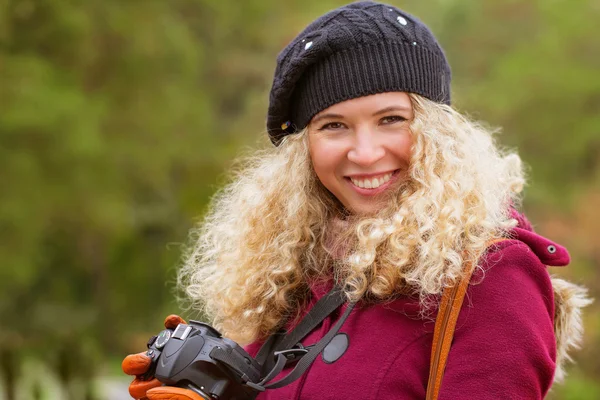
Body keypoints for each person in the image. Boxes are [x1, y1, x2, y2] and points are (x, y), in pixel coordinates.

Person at [122, 1, 591, 399]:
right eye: (333, 125)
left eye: (391, 119)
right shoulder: (292, 269)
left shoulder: (492, 275)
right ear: (304, 150)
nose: (365, 153)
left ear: (437, 131)